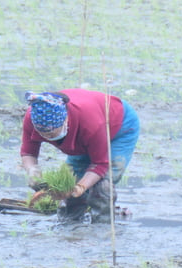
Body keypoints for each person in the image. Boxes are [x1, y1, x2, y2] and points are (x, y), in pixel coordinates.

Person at [20, 89, 140, 221]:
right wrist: (32, 170)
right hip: (85, 137)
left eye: (53, 133)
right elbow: (28, 152)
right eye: (43, 133)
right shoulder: (33, 117)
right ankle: (70, 224)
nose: (48, 137)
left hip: (119, 125)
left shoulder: (90, 124)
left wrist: (80, 188)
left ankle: (102, 227)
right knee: (71, 180)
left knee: (102, 184)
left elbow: (100, 164)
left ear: (65, 120)